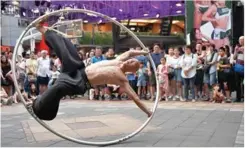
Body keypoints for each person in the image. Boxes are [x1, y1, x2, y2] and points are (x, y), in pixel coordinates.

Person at [31, 22, 152, 120]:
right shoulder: (119, 60)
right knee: (67, 46)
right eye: (131, 60)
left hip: (80, 83)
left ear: (132, 71)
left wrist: (148, 111)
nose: (129, 61)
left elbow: (136, 98)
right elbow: (130, 52)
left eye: (132, 64)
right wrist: (144, 52)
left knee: (57, 89)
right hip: (78, 69)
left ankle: (37, 105)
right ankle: (42, 29)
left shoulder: (122, 79)